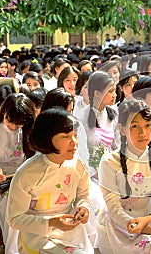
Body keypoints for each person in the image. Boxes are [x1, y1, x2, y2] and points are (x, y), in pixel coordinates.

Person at [97, 99, 151, 254]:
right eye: (135, 126)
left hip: (150, 216)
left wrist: (150, 220)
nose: (143, 133)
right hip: (119, 223)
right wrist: (146, 228)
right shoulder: (109, 162)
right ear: (121, 129)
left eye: (148, 125)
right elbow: (114, 207)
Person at [7, 108, 93, 253]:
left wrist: (83, 207)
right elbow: (14, 218)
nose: (74, 142)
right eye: (66, 136)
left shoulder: (77, 164)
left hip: (70, 229)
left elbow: (84, 193)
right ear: (47, 137)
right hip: (37, 235)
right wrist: (50, 222)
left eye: (75, 135)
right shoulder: (27, 173)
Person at [0, 93, 36, 250]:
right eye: (10, 122)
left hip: (24, 180)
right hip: (1, 184)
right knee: (14, 205)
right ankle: (13, 249)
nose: (13, 127)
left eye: (18, 125)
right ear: (3, 111)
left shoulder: (27, 131)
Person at [76, 71, 118, 175]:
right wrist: (94, 174)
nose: (115, 95)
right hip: (89, 173)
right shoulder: (81, 117)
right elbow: (80, 152)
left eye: (114, 91)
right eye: (110, 91)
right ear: (97, 93)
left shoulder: (114, 114)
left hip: (111, 170)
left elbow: (116, 146)